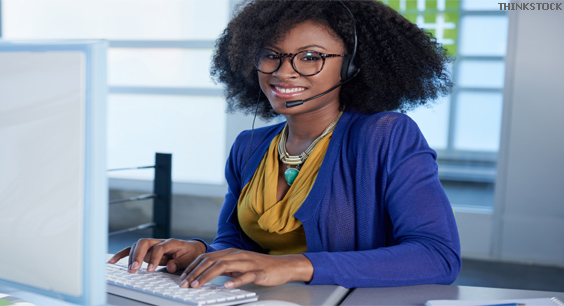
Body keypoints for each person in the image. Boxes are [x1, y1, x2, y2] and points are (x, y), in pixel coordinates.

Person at [109, 0, 461, 290]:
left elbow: (437, 256)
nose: (283, 72)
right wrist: (198, 252)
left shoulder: (385, 135)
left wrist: (294, 266)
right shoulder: (249, 147)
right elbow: (239, 246)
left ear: (352, 67)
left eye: (310, 57)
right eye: (270, 55)